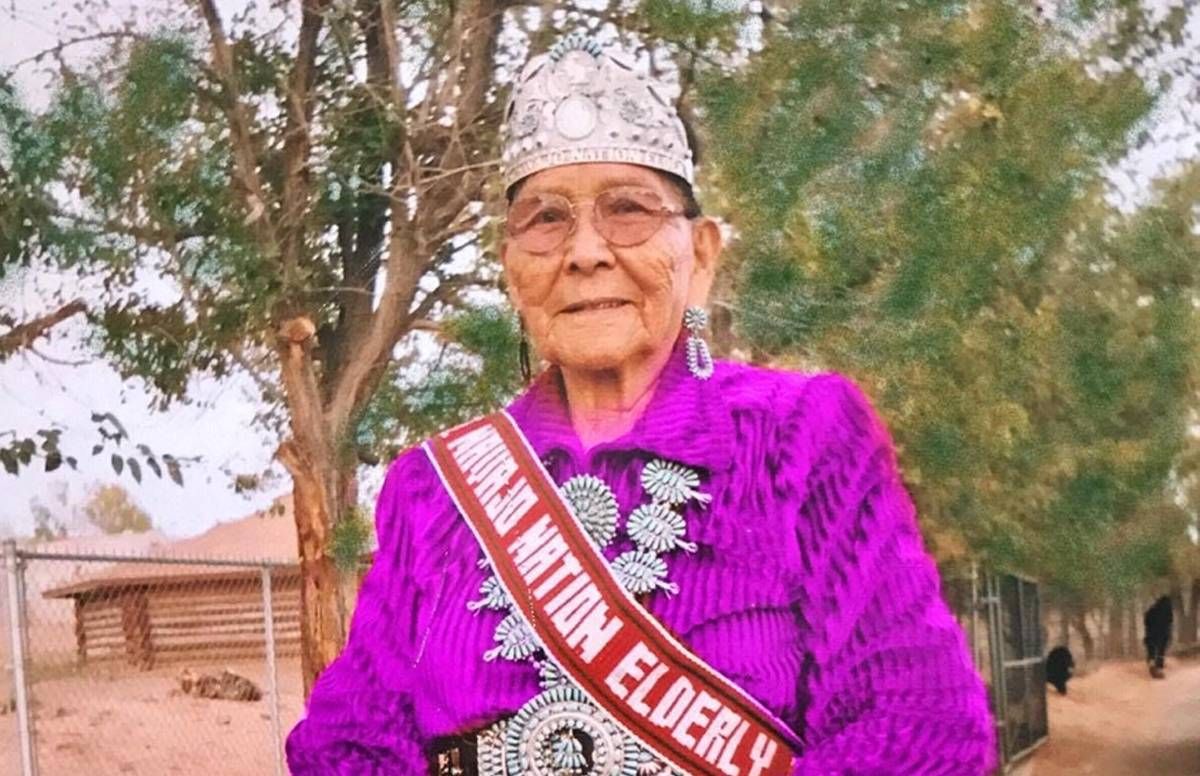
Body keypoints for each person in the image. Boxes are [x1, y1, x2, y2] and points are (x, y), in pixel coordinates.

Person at [286, 32, 997, 775]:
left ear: (702, 257)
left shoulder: (801, 437)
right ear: (512, 268)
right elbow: (348, 743)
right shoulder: (431, 490)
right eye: (546, 219)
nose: (585, 250)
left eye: (629, 209)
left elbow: (920, 728)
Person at [1144, 595, 1173, 679]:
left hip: (1151, 634)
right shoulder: (1168, 610)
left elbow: (1146, 621)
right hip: (1162, 634)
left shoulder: (1151, 610)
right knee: (1161, 651)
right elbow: (1170, 622)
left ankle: (1152, 663)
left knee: (1151, 650)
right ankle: (1159, 668)